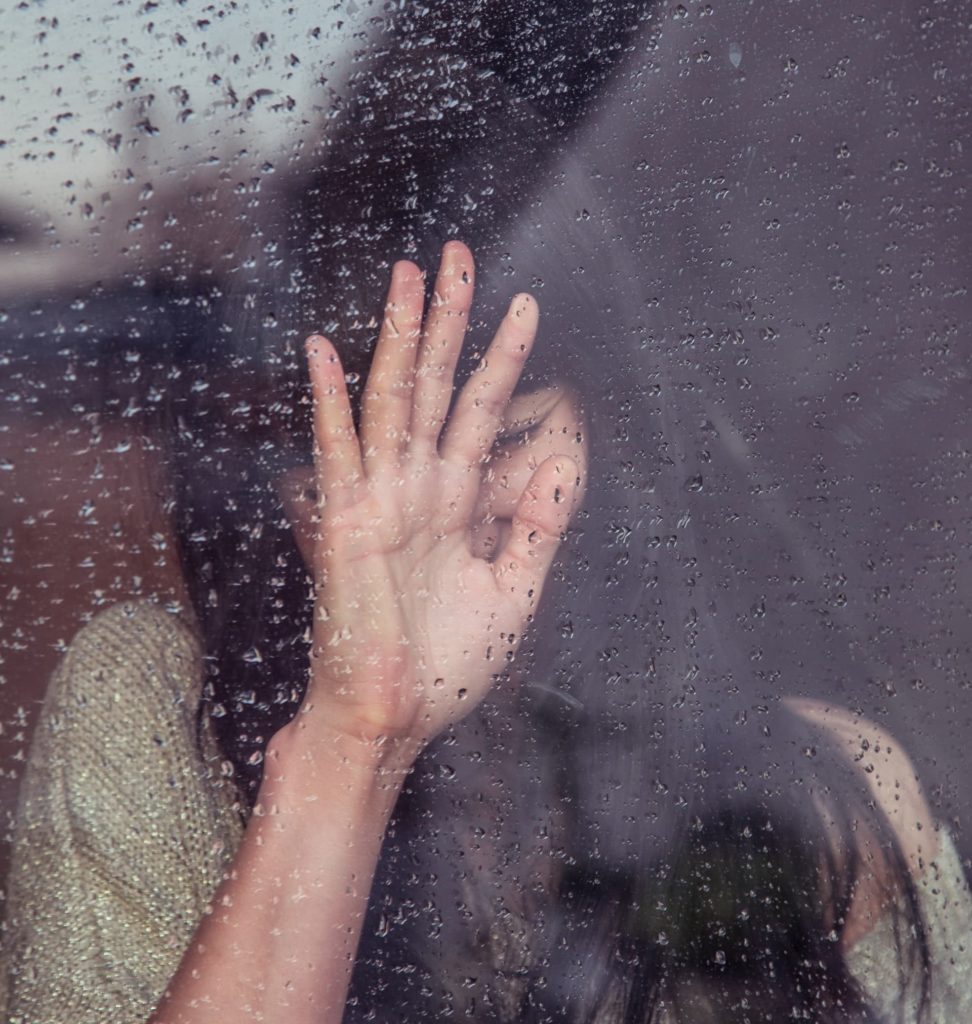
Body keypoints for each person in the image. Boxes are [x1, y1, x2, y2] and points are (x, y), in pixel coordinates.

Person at [3, 240, 971, 1024]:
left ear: (616, 430)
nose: (434, 518)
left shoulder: (816, 799)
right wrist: (357, 739)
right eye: (354, 469)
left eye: (499, 441)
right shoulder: (162, 713)